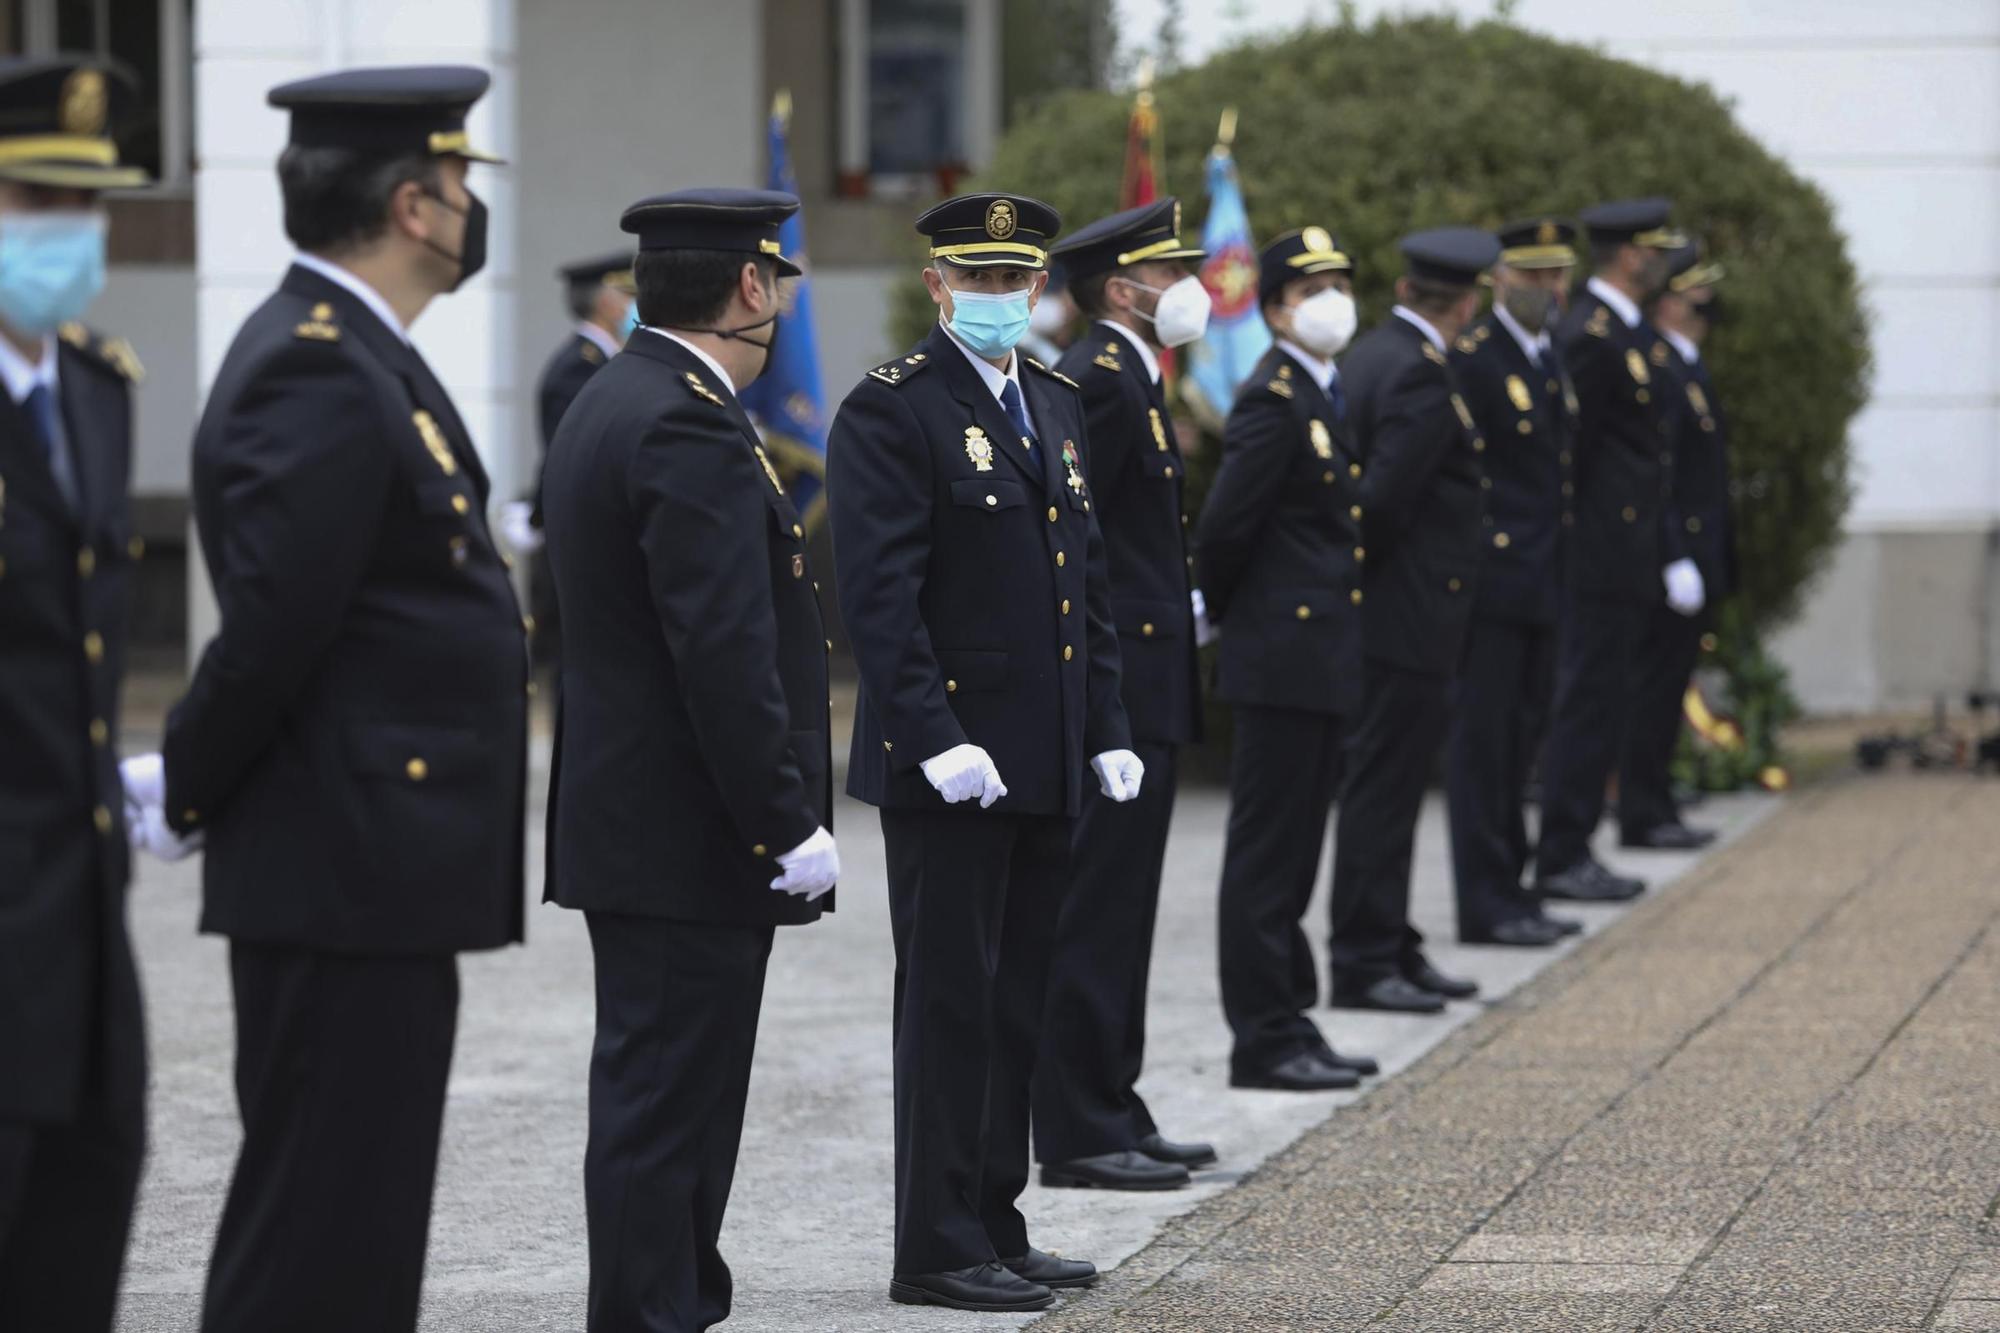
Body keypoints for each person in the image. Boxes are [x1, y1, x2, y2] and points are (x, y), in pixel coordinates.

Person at [126, 66, 528, 1333]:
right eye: (461, 185)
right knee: (317, 1213)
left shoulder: (361, 351)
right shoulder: (314, 365)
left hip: (378, 863)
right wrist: (187, 780)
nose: (472, 209)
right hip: (340, 858)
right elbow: (273, 632)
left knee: (361, 1215)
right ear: (415, 206)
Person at [827, 191, 1140, 1314]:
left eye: (1019, 281)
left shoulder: (1054, 402)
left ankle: (994, 1222)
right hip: (952, 762)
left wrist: (1106, 726)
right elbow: (878, 599)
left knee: (1019, 1002)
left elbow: (1085, 586)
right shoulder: (891, 411)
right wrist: (933, 737)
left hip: (1046, 753)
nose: (1004, 299)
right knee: (951, 1003)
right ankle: (933, 1243)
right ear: (938, 287)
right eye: (982, 281)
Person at [541, 188, 838, 1333]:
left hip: (647, 818)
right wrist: (782, 818)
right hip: (687, 826)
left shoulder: (623, 392)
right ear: (751, 288)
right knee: (667, 1100)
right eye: (778, 285)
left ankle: (672, 1301)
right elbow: (719, 647)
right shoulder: (683, 418)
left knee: (671, 1093)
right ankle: (648, 1313)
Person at [0, 54, 151, 1333]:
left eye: (87, 206)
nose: (69, 233)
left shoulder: (95, 392)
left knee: (77, 1239)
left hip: (83, 922)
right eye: (36, 201)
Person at [1037, 198, 1211, 1190]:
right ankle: (1076, 1126)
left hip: (1150, 667)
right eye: (1168, 269)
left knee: (1124, 903)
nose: (1185, 285)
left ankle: (1115, 1100)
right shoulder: (1096, 379)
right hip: (1121, 677)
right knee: (1095, 905)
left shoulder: (1131, 376)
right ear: (1121, 289)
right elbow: (1079, 543)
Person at [1197, 226, 1380, 1090]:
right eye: (1311, 289)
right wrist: (1241, 621)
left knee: (1299, 848)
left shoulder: (1319, 390)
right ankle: (1262, 1037)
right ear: (1273, 308)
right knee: (1268, 856)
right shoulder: (1273, 398)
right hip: (1280, 655)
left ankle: (1291, 1019)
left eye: (1339, 281)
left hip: (1316, 654)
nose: (1331, 300)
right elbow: (1227, 530)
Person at [1324, 226, 1500, 1014]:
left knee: (1384, 785)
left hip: (1391, 614)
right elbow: (1382, 503)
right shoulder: (1422, 375)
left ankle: (1389, 938)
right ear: (1466, 304)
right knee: (1383, 790)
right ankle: (1365, 956)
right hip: (1406, 616)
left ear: (1405, 291)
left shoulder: (1370, 353)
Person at [1534, 197, 1695, 903]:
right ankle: (1563, 851)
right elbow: (1570, 453)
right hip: (1595, 554)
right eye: (1655, 249)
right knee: (1586, 701)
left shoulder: (1623, 332)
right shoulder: (1592, 335)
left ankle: (1576, 846)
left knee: (1604, 700)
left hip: (1623, 552)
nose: (1662, 261)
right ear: (1631, 255)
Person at [1444, 218, 1587, 947]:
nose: (1550, 290)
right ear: (1501, 279)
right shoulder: (1475, 358)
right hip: (1495, 584)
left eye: (1558, 275)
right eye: (1535, 277)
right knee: (1486, 749)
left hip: (1542, 579)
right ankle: (1486, 899)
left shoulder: (1544, 356)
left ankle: (1516, 887)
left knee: (1523, 741)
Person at [1620, 241, 1732, 849]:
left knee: (1667, 689)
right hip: (1672, 555)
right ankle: (1642, 808)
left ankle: (1655, 798)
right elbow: (1656, 474)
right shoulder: (1661, 367)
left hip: (1694, 552)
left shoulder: (1684, 364)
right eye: (1696, 294)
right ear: (1669, 304)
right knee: (1652, 690)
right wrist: (1672, 555)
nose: (1706, 305)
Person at [502, 251, 637, 665]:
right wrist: (540, 515)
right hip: (582, 535)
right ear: (607, 303)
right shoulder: (578, 368)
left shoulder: (601, 363)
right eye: (627, 295)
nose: (634, 306)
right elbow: (569, 456)